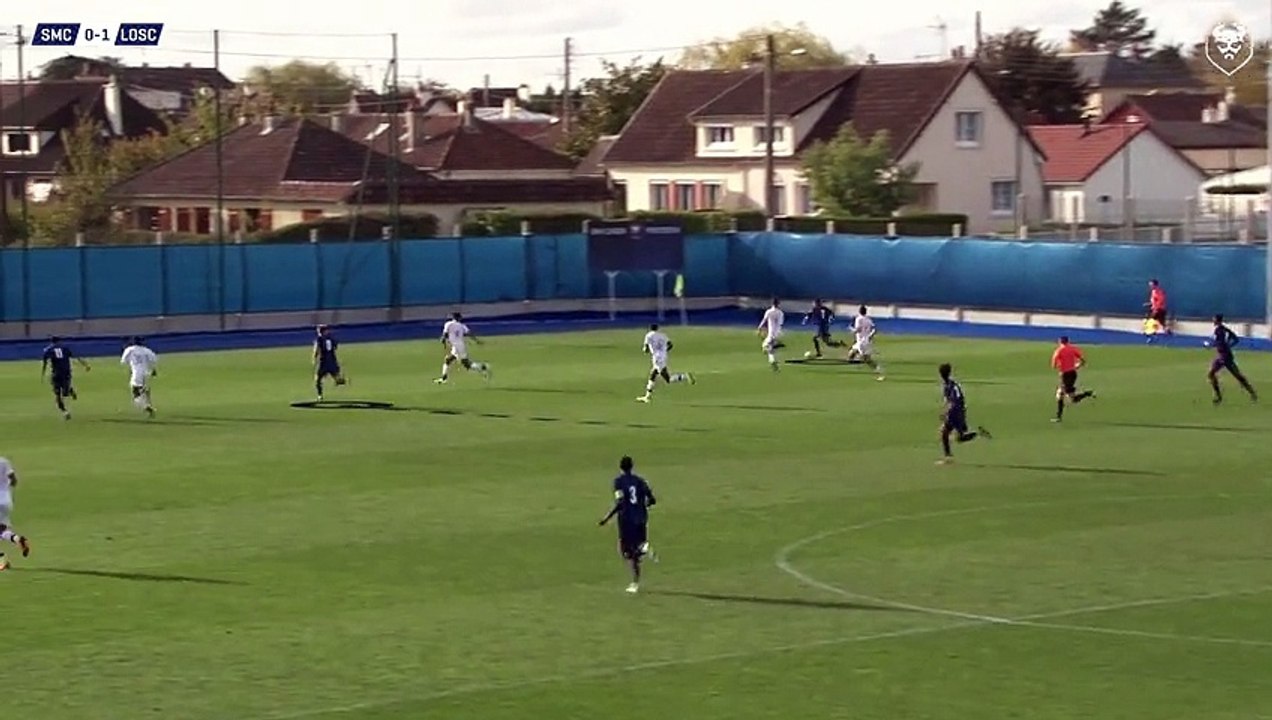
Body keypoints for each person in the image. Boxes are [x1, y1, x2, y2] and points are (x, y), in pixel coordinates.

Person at [598, 456, 657, 593]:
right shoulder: (640, 481)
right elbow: (652, 500)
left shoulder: (618, 482)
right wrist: (643, 506)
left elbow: (620, 502)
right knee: (636, 549)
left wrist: (607, 518)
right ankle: (642, 551)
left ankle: (636, 579)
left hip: (627, 521)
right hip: (641, 519)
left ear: (620, 467)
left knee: (626, 551)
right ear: (631, 466)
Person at [937, 363, 991, 464]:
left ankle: (948, 458)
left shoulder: (949, 385)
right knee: (955, 436)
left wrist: (945, 413)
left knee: (947, 434)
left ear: (941, 374)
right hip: (960, 410)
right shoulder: (952, 384)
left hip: (955, 412)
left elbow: (952, 402)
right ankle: (977, 434)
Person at [1206, 314, 1257, 404]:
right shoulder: (1225, 329)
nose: (1212, 320)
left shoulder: (1218, 330)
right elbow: (1236, 339)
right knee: (1211, 374)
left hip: (1225, 357)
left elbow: (1220, 342)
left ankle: (1252, 393)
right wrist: (1229, 345)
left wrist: (1210, 345)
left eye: (1214, 319)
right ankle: (1219, 396)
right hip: (1223, 355)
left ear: (1217, 320)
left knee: (1236, 375)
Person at [637, 324, 694, 403]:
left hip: (657, 358)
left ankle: (684, 376)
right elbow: (670, 345)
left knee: (668, 379)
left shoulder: (649, 335)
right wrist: (663, 351)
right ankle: (647, 397)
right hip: (663, 356)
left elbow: (646, 349)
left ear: (650, 329)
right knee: (653, 375)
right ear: (657, 328)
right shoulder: (663, 335)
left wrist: (647, 350)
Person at [41, 336, 90, 420]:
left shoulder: (49, 349)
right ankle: (66, 410)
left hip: (56, 374)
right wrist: (85, 364)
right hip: (66, 373)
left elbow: (45, 361)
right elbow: (76, 357)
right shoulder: (65, 348)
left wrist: (43, 373)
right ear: (59, 341)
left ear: (52, 342)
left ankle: (65, 410)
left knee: (58, 394)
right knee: (63, 393)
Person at [435, 312, 491, 384]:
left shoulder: (448, 324)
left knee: (462, 363)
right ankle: (444, 378)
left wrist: (443, 339)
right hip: (460, 345)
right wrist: (477, 341)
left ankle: (483, 367)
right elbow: (469, 333)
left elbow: (445, 334)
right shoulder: (462, 326)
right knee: (450, 361)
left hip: (456, 347)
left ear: (453, 317)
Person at [1050, 336, 1095, 422]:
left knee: (1066, 397)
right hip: (1073, 373)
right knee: (1063, 395)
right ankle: (1058, 416)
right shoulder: (1073, 349)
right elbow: (1083, 361)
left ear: (1060, 342)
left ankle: (1087, 393)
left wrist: (1061, 366)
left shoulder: (1058, 351)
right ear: (1068, 341)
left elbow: (1054, 365)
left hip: (1065, 375)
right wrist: (1076, 366)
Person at [0, 457, 30, 571]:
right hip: (7, 501)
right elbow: (14, 481)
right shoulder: (4, 461)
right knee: (1, 530)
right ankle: (18, 540)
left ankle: (2, 560)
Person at [120, 337, 158, 418]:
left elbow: (123, 361)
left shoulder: (130, 349)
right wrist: (153, 370)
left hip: (137, 373)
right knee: (144, 390)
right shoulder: (146, 350)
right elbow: (154, 359)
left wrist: (131, 365)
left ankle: (147, 408)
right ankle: (148, 402)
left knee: (135, 393)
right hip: (146, 373)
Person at [845, 305, 885, 380]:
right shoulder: (868, 320)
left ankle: (879, 371)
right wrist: (870, 336)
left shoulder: (858, 319)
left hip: (861, 342)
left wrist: (851, 329)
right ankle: (857, 362)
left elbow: (858, 330)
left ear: (859, 311)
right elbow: (875, 329)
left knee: (867, 360)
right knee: (851, 354)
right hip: (863, 341)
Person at [313, 325, 348, 400]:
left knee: (318, 379)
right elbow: (336, 346)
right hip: (332, 361)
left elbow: (317, 349)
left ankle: (320, 395)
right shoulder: (331, 338)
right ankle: (340, 380)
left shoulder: (319, 339)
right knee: (335, 375)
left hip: (324, 362)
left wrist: (314, 358)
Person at [756, 298, 785, 371]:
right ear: (778, 304)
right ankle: (773, 357)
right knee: (768, 348)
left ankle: (773, 361)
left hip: (771, 334)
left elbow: (764, 320)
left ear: (772, 304)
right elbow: (781, 324)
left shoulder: (769, 311)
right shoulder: (781, 313)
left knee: (766, 347)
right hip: (778, 333)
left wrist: (759, 328)